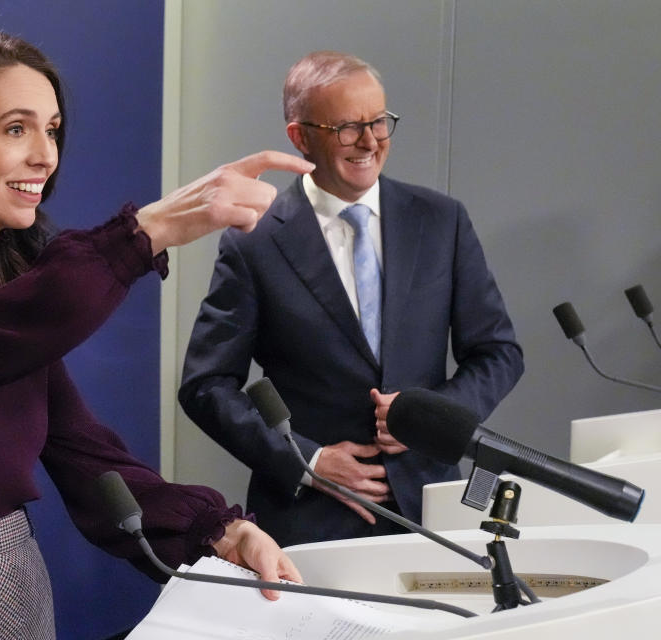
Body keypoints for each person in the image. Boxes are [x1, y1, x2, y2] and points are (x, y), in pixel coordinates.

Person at [0, 30, 314, 639]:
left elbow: (83, 454)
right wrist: (141, 235)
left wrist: (220, 530)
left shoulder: (14, 281)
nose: (45, 156)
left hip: (15, 576)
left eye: (51, 130)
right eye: (16, 129)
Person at [179, 51, 524, 548]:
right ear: (300, 137)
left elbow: (499, 354)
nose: (370, 141)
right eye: (347, 127)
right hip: (311, 522)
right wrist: (308, 461)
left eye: (379, 121)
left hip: (434, 512)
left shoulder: (441, 220)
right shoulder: (253, 240)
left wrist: (431, 421)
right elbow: (206, 384)